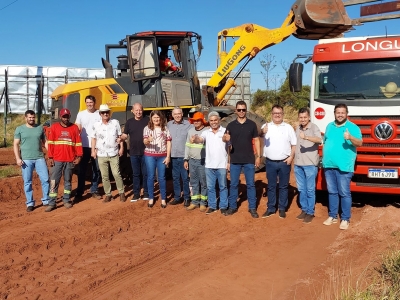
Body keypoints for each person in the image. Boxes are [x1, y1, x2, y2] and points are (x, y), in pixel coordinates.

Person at [322, 103, 362, 230]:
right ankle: (332, 216)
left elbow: (360, 143)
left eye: (342, 112)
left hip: (344, 166)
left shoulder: (352, 127)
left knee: (344, 193)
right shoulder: (329, 126)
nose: (340, 115)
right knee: (332, 192)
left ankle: (345, 218)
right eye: (338, 112)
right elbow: (326, 141)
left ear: (346, 114)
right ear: (334, 113)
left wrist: (350, 137)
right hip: (329, 165)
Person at [223, 101, 261, 218]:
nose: (241, 112)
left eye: (243, 110)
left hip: (249, 159)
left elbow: (256, 140)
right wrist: (225, 138)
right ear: (235, 111)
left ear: (246, 110)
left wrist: (258, 156)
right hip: (235, 160)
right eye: (239, 110)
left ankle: (252, 208)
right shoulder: (230, 125)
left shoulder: (252, 124)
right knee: (234, 185)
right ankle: (233, 207)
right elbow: (225, 141)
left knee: (250, 185)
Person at [261, 104, 297, 219]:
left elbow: (294, 144)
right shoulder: (266, 126)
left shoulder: (288, 127)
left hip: (284, 162)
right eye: (275, 113)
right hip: (270, 162)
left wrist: (291, 157)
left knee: (283, 186)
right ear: (272, 114)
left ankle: (282, 208)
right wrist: (262, 132)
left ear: (282, 114)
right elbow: (258, 136)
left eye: (279, 113)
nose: (277, 115)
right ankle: (271, 208)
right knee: (271, 186)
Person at [46, 108, 83, 212]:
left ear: (69, 116)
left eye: (67, 116)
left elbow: (78, 143)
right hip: (57, 159)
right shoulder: (54, 127)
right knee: (54, 181)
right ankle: (52, 202)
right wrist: (50, 157)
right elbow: (51, 143)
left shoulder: (74, 128)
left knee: (68, 181)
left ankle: (66, 200)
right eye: (64, 116)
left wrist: (79, 156)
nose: (66, 118)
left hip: (70, 160)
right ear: (60, 117)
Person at [13, 110, 50, 212]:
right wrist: (18, 158)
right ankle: (30, 203)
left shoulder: (40, 128)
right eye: (29, 117)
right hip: (26, 160)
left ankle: (46, 200)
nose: (31, 119)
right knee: (27, 182)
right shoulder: (20, 129)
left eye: (33, 117)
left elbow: (45, 141)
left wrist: (50, 153)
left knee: (45, 179)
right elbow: (15, 144)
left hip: (39, 158)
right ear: (25, 118)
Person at [193, 111, 229, 215]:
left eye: (215, 120)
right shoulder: (205, 132)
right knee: (210, 187)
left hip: (222, 164)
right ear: (209, 121)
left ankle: (223, 206)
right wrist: (195, 139)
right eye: (211, 120)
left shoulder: (224, 131)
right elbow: (200, 139)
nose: (213, 122)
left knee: (223, 187)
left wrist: (228, 163)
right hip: (209, 165)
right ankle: (212, 206)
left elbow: (229, 148)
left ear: (219, 120)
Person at [91, 104, 126, 203]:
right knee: (104, 176)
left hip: (113, 152)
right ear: (100, 114)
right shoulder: (96, 125)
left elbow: (120, 137)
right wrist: (93, 151)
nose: (105, 114)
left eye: (107, 112)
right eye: (103, 112)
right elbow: (93, 138)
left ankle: (121, 192)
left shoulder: (115, 123)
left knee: (116, 173)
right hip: (101, 154)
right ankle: (108, 194)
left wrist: (121, 148)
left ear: (109, 113)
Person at [294, 107, 322, 224]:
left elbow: (319, 139)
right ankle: (304, 209)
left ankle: (310, 212)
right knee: (301, 189)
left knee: (310, 189)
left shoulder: (314, 127)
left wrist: (306, 137)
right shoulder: (297, 129)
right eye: (301, 117)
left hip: (310, 164)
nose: (303, 119)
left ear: (309, 117)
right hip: (298, 164)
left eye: (305, 117)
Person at [120, 103, 149, 202]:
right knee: (136, 174)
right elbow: (125, 135)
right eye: (136, 110)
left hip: (146, 152)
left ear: (142, 110)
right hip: (133, 152)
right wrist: (121, 139)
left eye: (140, 110)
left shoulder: (147, 120)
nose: (138, 112)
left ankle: (146, 192)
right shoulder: (129, 122)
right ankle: (136, 194)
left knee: (145, 173)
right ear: (132, 111)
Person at [75, 95, 102, 201]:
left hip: (96, 147)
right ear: (85, 103)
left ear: (94, 102)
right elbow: (77, 129)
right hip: (84, 146)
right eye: (87, 102)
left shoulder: (99, 114)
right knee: (82, 170)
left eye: (91, 102)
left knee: (96, 169)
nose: (89, 104)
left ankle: (94, 190)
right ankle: (79, 192)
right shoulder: (81, 114)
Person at [143, 110, 171, 208]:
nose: (156, 119)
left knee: (162, 177)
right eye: (154, 117)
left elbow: (168, 142)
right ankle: (151, 197)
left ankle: (163, 198)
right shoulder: (147, 128)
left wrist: (168, 156)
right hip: (150, 155)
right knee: (150, 176)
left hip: (162, 156)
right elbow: (145, 142)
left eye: (158, 117)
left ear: (161, 118)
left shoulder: (165, 129)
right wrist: (148, 141)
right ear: (151, 118)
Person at [167, 107, 192, 206]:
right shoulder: (169, 125)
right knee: (175, 177)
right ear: (172, 115)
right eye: (175, 114)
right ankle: (177, 197)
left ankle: (187, 197)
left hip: (183, 156)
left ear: (182, 114)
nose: (177, 116)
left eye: (179, 114)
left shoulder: (188, 125)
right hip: (173, 156)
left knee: (185, 177)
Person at [184, 112, 208, 212]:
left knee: (203, 182)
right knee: (193, 182)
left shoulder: (206, 131)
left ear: (202, 121)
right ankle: (195, 202)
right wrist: (186, 159)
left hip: (203, 161)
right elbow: (187, 146)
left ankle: (203, 203)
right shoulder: (190, 131)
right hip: (192, 161)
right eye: (194, 120)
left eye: (198, 120)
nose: (196, 122)